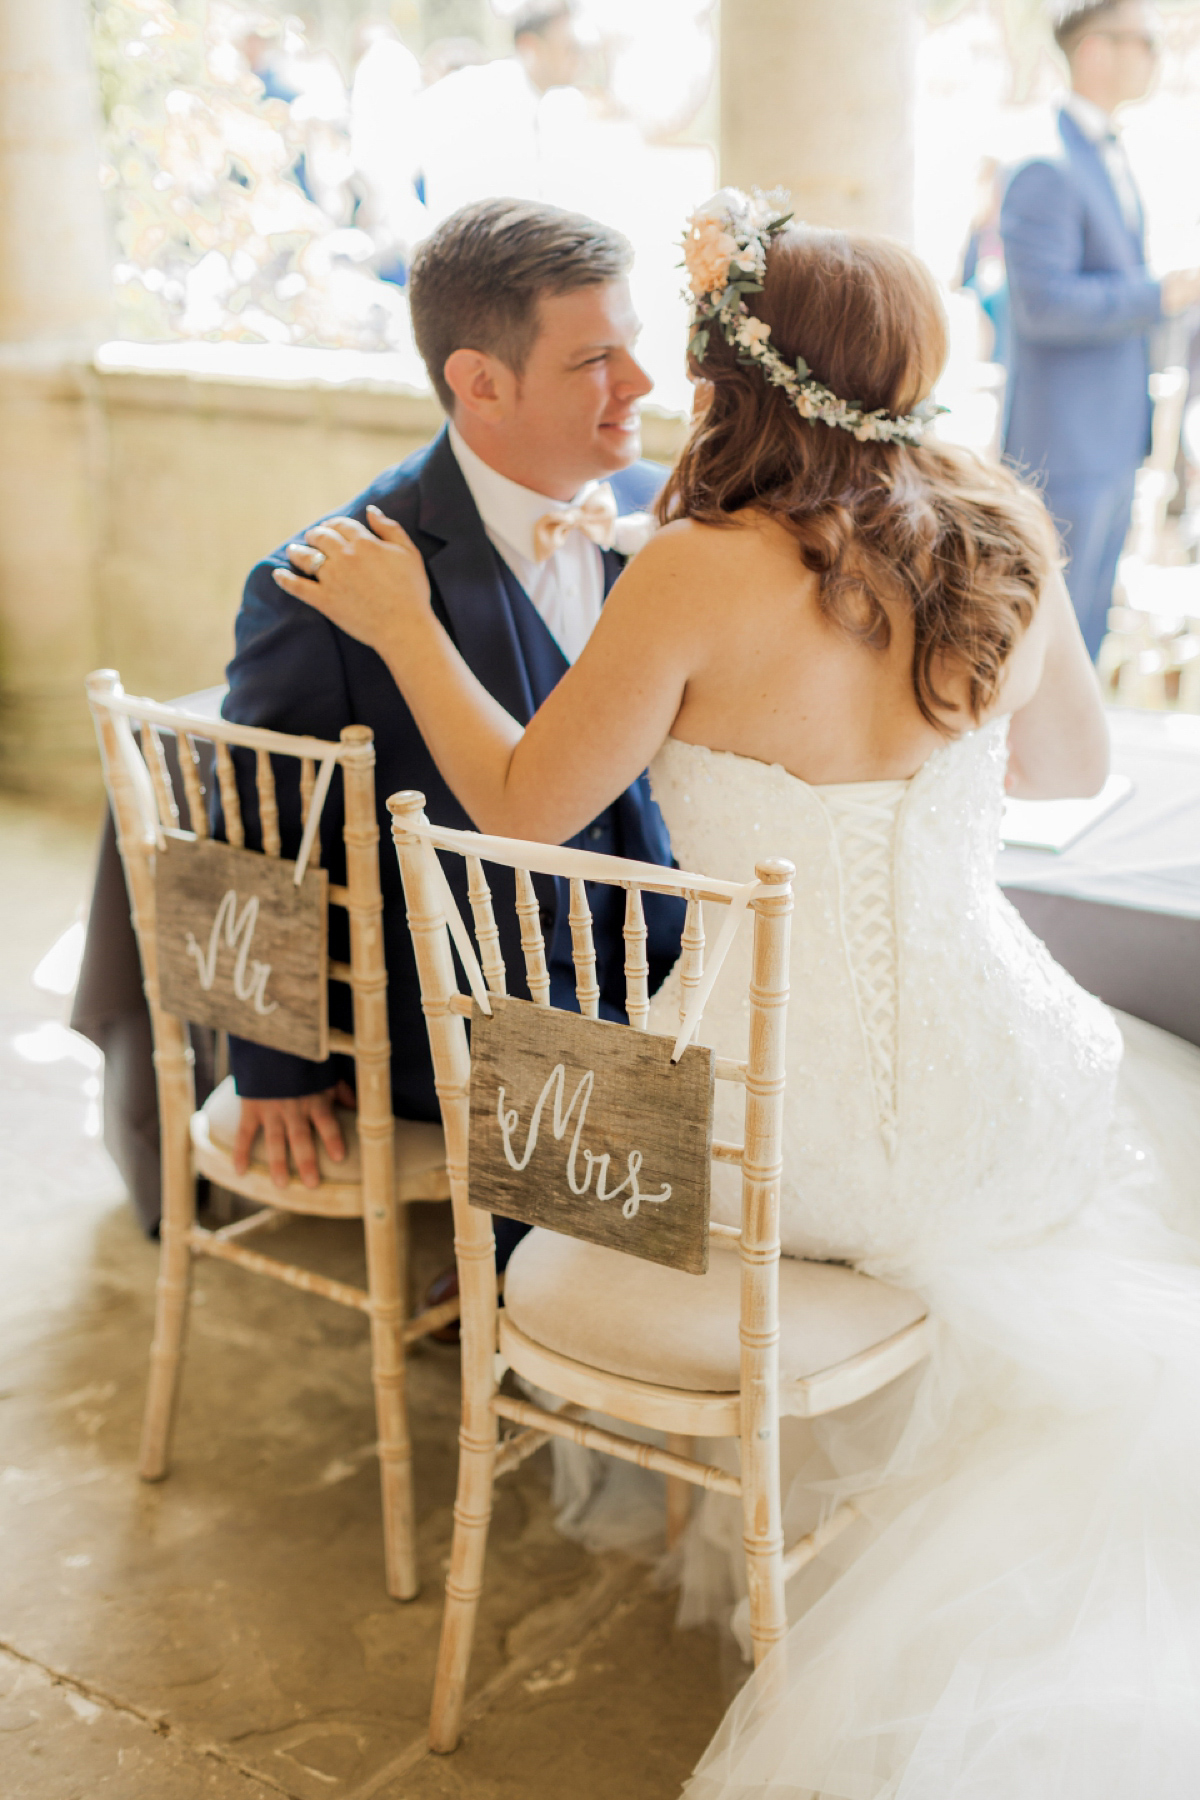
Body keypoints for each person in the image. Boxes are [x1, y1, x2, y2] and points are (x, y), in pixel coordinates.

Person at [278, 188, 1200, 1796]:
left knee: (717, 1152)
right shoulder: (1002, 528)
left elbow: (520, 807)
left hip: (769, 1131)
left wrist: (409, 627)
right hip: (1006, 1085)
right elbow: (1069, 767)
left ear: (731, 387)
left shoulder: (698, 569)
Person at [220, 199, 683, 1278]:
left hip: (677, 970)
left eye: (636, 348)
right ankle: (542, 1333)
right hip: (483, 1023)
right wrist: (277, 1063)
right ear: (480, 381)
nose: (642, 388)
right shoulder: (322, 587)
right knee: (633, 1282)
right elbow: (256, 833)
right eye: (596, 360)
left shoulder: (672, 520)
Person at [1001, 0, 1200, 659]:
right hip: (1065, 447)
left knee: (1085, 634)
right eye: (1144, 41)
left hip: (1111, 442)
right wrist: (1160, 292)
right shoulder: (1046, 163)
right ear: (1094, 51)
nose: (1155, 54)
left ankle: (1076, 765)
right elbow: (1042, 306)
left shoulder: (1102, 152)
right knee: (1048, 643)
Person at [409, 2, 588, 231]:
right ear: (530, 45)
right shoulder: (484, 95)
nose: (579, 59)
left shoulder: (543, 102)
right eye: (570, 48)